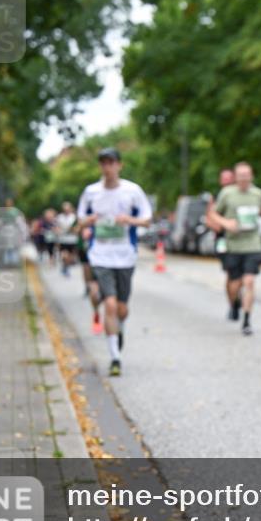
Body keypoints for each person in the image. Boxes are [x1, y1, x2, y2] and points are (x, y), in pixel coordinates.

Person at [77, 148, 153, 376]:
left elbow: (147, 220)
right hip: (100, 255)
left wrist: (129, 220)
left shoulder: (132, 191)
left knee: (121, 308)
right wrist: (87, 222)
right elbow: (79, 222)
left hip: (125, 255)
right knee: (109, 304)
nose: (107, 168)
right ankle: (115, 357)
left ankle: (119, 330)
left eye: (111, 163)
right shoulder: (91, 192)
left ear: (119, 165)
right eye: (103, 163)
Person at [207, 161, 261, 336]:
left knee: (249, 281)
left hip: (253, 243)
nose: (244, 179)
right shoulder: (227, 194)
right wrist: (226, 223)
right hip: (233, 245)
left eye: (246, 175)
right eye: (240, 176)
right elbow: (212, 213)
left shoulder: (258, 193)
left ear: (251, 176)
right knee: (234, 284)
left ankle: (247, 320)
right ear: (235, 177)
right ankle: (234, 303)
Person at [55, 201, 79, 276]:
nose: (66, 210)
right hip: (63, 239)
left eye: (67, 209)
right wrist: (58, 232)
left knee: (71, 256)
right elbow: (56, 227)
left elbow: (77, 227)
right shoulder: (59, 217)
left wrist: (74, 230)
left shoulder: (74, 217)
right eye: (65, 209)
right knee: (64, 254)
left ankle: (66, 267)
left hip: (72, 239)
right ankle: (65, 267)